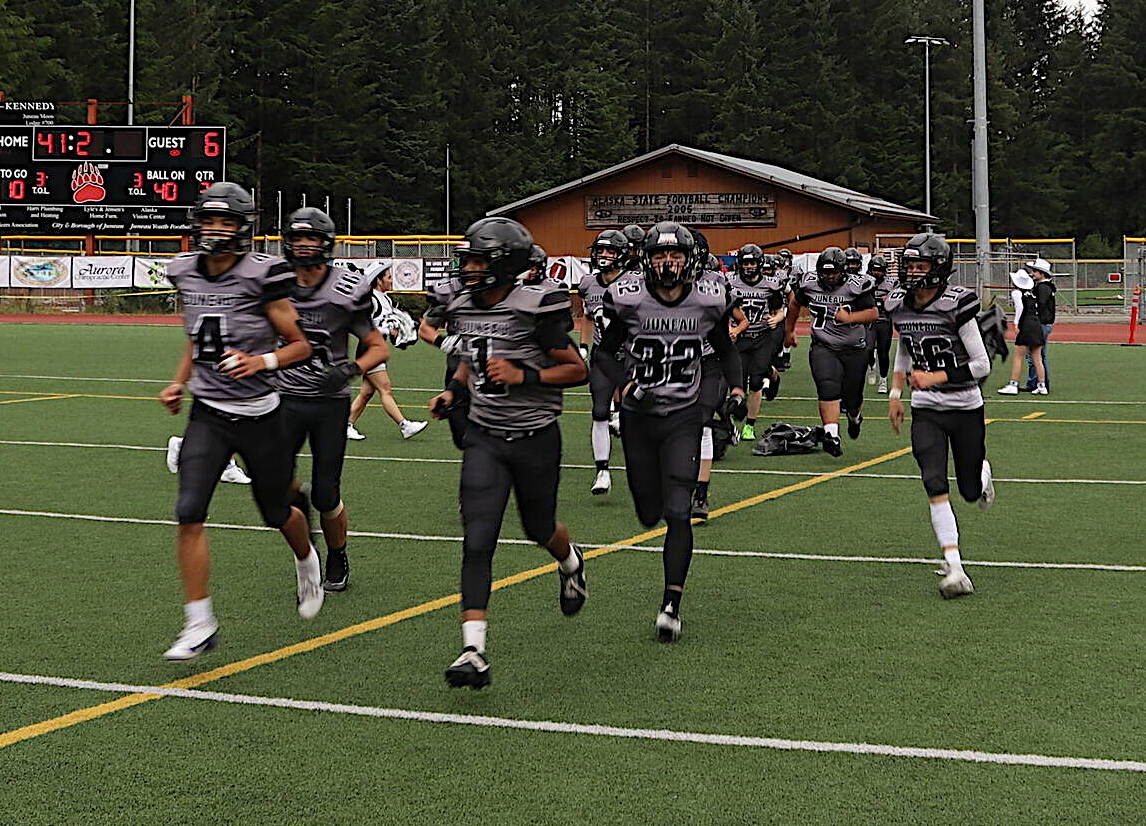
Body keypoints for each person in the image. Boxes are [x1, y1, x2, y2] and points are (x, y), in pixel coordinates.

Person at [158, 182, 320, 661]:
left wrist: (261, 363)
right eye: (209, 221)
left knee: (276, 512)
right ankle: (199, 623)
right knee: (189, 511)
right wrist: (178, 382)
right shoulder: (184, 272)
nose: (216, 229)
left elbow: (300, 345)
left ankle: (307, 559)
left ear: (244, 227)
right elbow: (196, 336)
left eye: (226, 221)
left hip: (260, 414)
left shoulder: (263, 275)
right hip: (208, 414)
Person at [428, 217, 588, 689]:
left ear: (505, 265)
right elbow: (470, 359)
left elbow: (576, 370)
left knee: (539, 527)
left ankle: (571, 560)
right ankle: (473, 650)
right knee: (478, 539)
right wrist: (455, 393)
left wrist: (525, 376)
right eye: (468, 260)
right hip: (485, 436)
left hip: (536, 435)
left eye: (479, 261)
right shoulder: (460, 304)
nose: (469, 269)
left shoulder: (537, 306)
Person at [596, 221, 745, 642]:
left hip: (683, 413)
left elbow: (726, 348)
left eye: (674, 255)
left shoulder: (708, 300)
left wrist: (735, 388)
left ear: (689, 259)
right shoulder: (630, 299)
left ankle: (671, 604)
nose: (667, 262)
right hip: (640, 416)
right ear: (647, 259)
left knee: (679, 513)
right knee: (648, 511)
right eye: (660, 255)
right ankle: (657, 516)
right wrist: (624, 382)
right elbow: (604, 354)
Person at [276, 208, 388, 593]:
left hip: (328, 401)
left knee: (327, 493)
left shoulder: (346, 289)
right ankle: (302, 531)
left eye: (313, 239)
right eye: (298, 238)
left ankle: (338, 552)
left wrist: (349, 369)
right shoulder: (274, 283)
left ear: (327, 244)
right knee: (277, 484)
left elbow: (377, 348)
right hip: (283, 397)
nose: (305, 246)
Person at [886, 232, 995, 599]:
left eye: (921, 267)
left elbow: (981, 364)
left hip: (964, 406)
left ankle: (981, 473)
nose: (913, 273)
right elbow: (906, 346)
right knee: (933, 482)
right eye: (909, 266)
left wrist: (936, 376)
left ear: (938, 269)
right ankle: (955, 567)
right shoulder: (899, 305)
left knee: (968, 491)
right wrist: (896, 392)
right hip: (927, 409)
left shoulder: (956, 305)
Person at [784, 246, 879, 456]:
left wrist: (850, 318)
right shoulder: (809, 284)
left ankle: (855, 418)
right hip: (823, 345)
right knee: (828, 386)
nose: (829, 277)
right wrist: (789, 330)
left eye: (833, 272)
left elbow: (873, 313)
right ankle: (831, 434)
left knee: (852, 397)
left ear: (843, 270)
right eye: (825, 272)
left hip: (854, 348)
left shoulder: (856, 286)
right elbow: (794, 304)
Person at [573, 229, 629, 495]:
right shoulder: (588, 283)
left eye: (610, 251)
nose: (604, 255)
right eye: (601, 250)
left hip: (634, 357)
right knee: (599, 411)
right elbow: (585, 316)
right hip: (603, 357)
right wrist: (584, 346)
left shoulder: (636, 283)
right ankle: (603, 471)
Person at [346, 264, 429, 441]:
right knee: (385, 388)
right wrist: (387, 330)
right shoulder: (371, 300)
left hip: (378, 349)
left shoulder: (387, 300)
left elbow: (394, 321)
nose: (391, 280)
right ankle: (404, 425)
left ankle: (347, 425)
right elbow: (363, 325)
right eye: (389, 277)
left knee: (367, 392)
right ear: (378, 280)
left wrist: (405, 328)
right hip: (368, 349)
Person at [692, 252, 748, 519]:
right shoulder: (647, 293)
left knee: (702, 421)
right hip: (667, 367)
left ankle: (700, 493)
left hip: (707, 363)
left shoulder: (712, 292)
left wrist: (737, 387)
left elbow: (725, 348)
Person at [728, 246, 787, 442]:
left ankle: (749, 426)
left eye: (752, 262)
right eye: (745, 263)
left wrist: (777, 318)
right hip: (741, 338)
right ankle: (772, 373)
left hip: (762, 337)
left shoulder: (771, 284)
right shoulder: (730, 282)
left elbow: (781, 309)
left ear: (760, 264)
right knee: (739, 382)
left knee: (755, 382)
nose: (749, 266)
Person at [418, 267, 470, 450]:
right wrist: (444, 342)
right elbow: (425, 329)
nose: (473, 268)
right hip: (458, 373)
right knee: (462, 438)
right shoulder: (451, 292)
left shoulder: (507, 292)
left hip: (496, 375)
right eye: (470, 261)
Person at [997, 269, 1047, 395]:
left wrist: (1016, 323)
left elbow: (1020, 307)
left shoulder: (1017, 293)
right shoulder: (1031, 294)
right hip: (1036, 324)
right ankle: (1042, 385)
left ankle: (1013, 384)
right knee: (1037, 357)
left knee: (1018, 356)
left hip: (1027, 325)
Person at [866, 254, 898, 394]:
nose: (876, 273)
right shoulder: (865, 281)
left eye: (879, 270)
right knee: (867, 349)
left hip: (884, 320)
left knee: (883, 352)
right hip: (869, 320)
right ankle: (872, 367)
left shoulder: (891, 283)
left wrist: (887, 300)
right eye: (874, 270)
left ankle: (883, 380)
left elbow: (897, 300)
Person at [1024, 257, 1056, 391]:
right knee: (1039, 355)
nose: (1033, 274)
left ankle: (1036, 382)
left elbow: (1041, 304)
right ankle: (1039, 381)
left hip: (1041, 324)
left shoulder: (1043, 288)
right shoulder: (1046, 287)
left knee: (1035, 355)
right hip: (1045, 324)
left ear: (1042, 273)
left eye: (1035, 271)